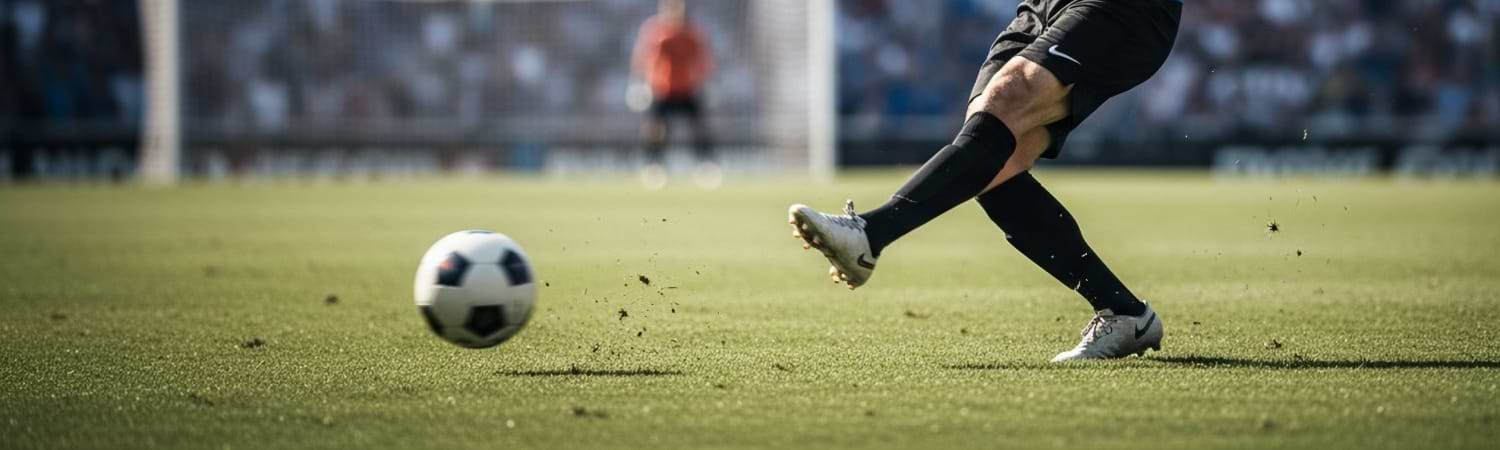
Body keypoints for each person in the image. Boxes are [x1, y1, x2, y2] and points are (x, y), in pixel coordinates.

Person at [788, 0, 1182, 362]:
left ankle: (870, 234)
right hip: (1042, 9)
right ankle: (1123, 312)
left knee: (1010, 95)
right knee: (990, 155)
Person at [631, 0, 718, 189]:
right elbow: (643, 58)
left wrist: (708, 84)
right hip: (661, 88)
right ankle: (654, 166)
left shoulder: (692, 33)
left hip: (687, 87)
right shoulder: (655, 31)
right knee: (656, 130)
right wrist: (638, 84)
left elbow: (703, 59)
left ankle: (705, 165)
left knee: (699, 128)